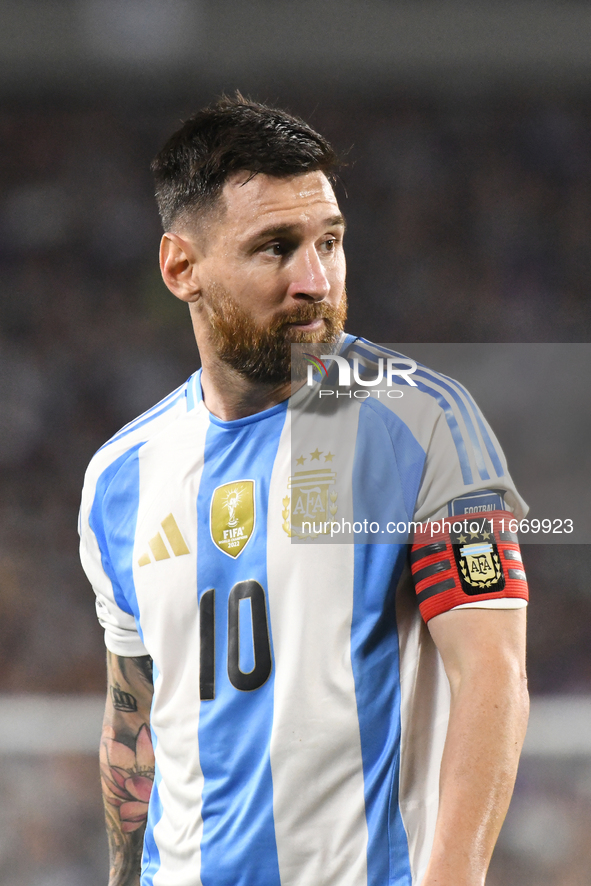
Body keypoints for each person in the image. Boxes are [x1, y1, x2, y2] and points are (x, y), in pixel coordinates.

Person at [79, 94, 529, 886]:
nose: (314, 279)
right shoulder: (121, 475)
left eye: (329, 241)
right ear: (181, 267)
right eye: (275, 248)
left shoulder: (419, 422)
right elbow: (134, 717)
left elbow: (489, 672)